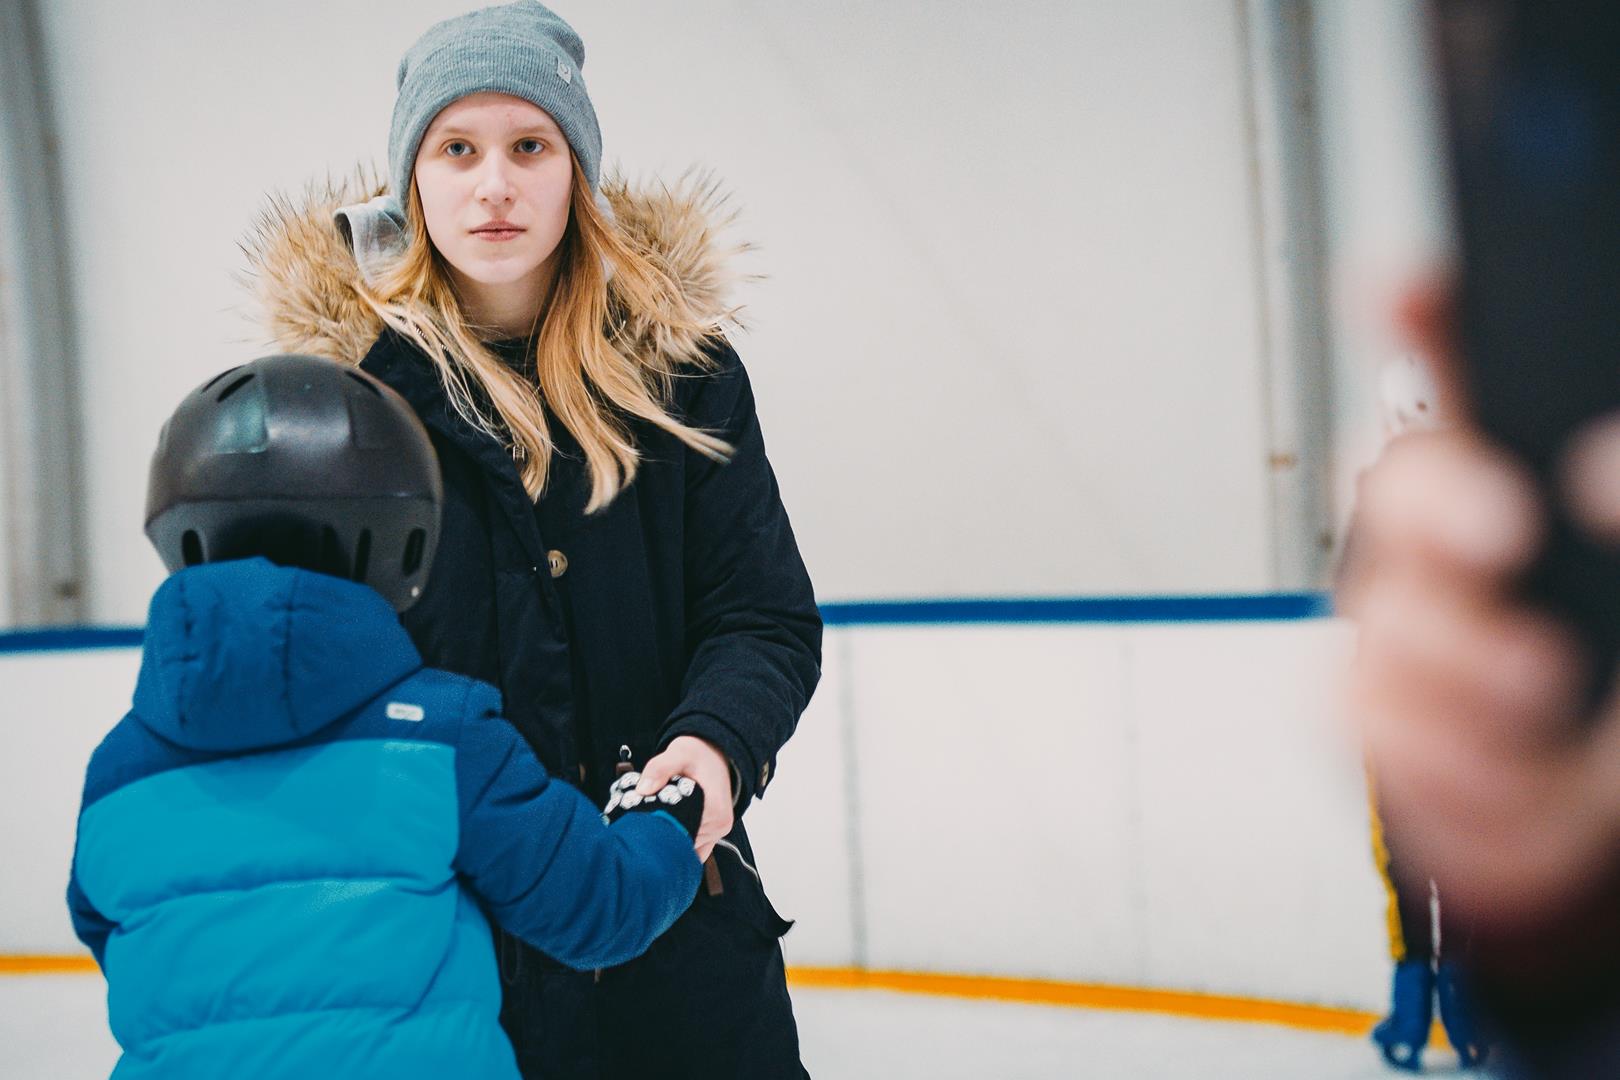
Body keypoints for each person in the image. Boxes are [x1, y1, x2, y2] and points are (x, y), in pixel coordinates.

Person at [242, 3, 822, 1076]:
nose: (494, 185)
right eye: (457, 150)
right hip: (455, 957)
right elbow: (306, 668)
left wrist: (715, 743)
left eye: (530, 146)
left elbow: (761, 615)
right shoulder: (344, 410)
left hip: (681, 935)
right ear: (411, 179)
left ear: (577, 171)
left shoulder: (685, 377)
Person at [65, 355, 708, 1080]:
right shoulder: (444, 739)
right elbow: (599, 907)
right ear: (405, 533)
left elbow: (110, 929)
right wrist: (669, 816)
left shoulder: (117, 772)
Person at [1340, 288, 1620, 1075]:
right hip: (1438, 717)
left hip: (1508, 715)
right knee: (1425, 854)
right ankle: (1424, 999)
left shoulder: (1484, 473)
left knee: (1441, 858)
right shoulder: (1402, 495)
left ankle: (1444, 1004)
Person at [1355, 355, 1487, 1072]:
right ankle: (1471, 1021)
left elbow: (1354, 586)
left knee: (1406, 864)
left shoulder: (1381, 491)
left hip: (1402, 711)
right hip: (1470, 709)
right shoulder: (1482, 484)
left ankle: (1411, 1021)